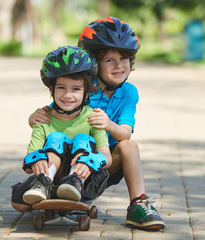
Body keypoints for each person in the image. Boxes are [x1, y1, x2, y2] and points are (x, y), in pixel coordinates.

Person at [29, 17, 165, 230]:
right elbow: (54, 116)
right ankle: (50, 186)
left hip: (101, 165)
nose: (119, 65)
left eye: (124, 58)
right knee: (21, 203)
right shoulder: (82, 87)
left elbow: (125, 133)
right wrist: (33, 118)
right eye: (110, 60)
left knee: (129, 145)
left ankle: (139, 204)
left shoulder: (129, 93)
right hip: (67, 161)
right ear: (93, 63)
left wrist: (108, 124)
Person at [11, 46, 112, 213]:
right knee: (19, 204)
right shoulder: (43, 118)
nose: (68, 95)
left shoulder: (93, 118)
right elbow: (27, 165)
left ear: (87, 93)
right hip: (52, 174)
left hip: (85, 180)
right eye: (61, 88)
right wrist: (37, 162)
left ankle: (74, 182)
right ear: (51, 90)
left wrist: (88, 162)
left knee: (82, 139)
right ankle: (44, 184)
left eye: (76, 89)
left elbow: (107, 159)